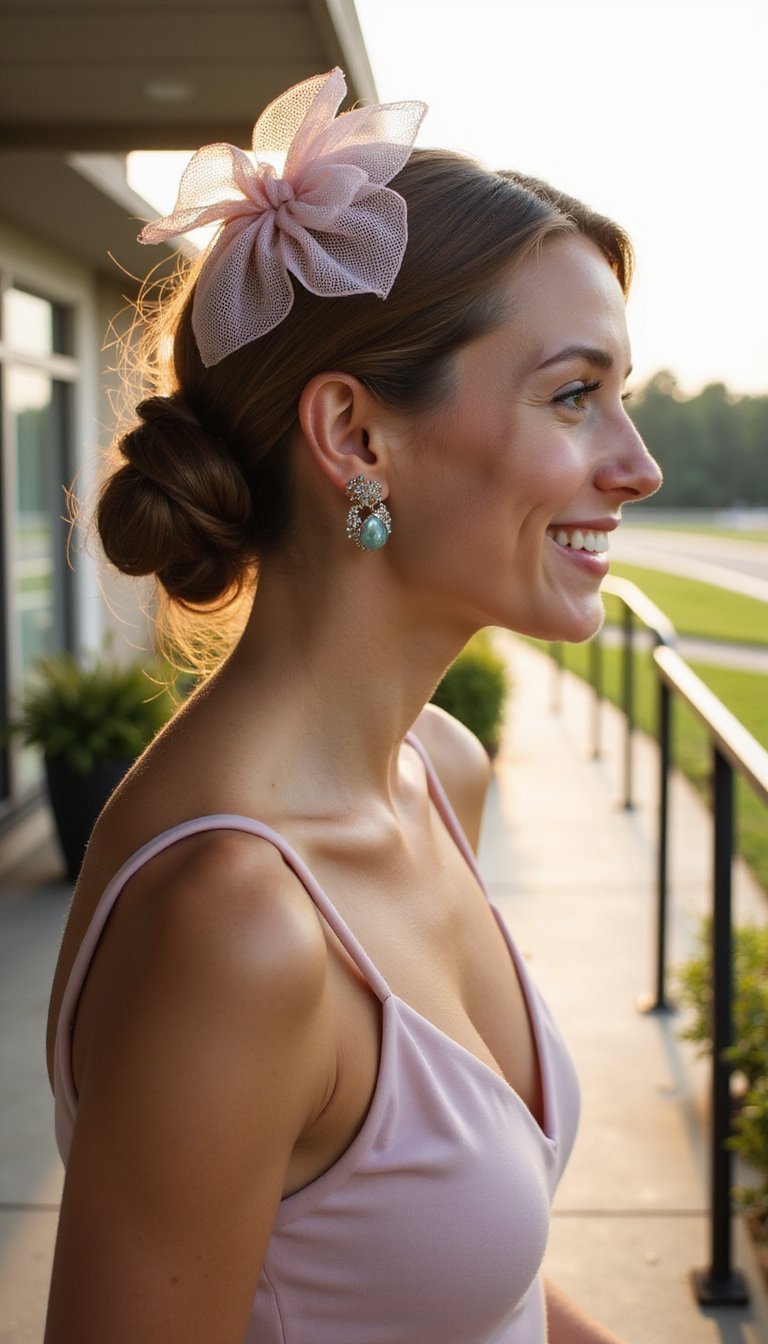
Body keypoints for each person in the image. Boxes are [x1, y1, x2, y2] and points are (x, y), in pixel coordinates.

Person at [44, 67, 662, 1343]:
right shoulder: (235, 931)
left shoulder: (437, 769)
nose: (636, 464)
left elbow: (445, 1281)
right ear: (357, 438)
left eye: (624, 395)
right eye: (572, 394)